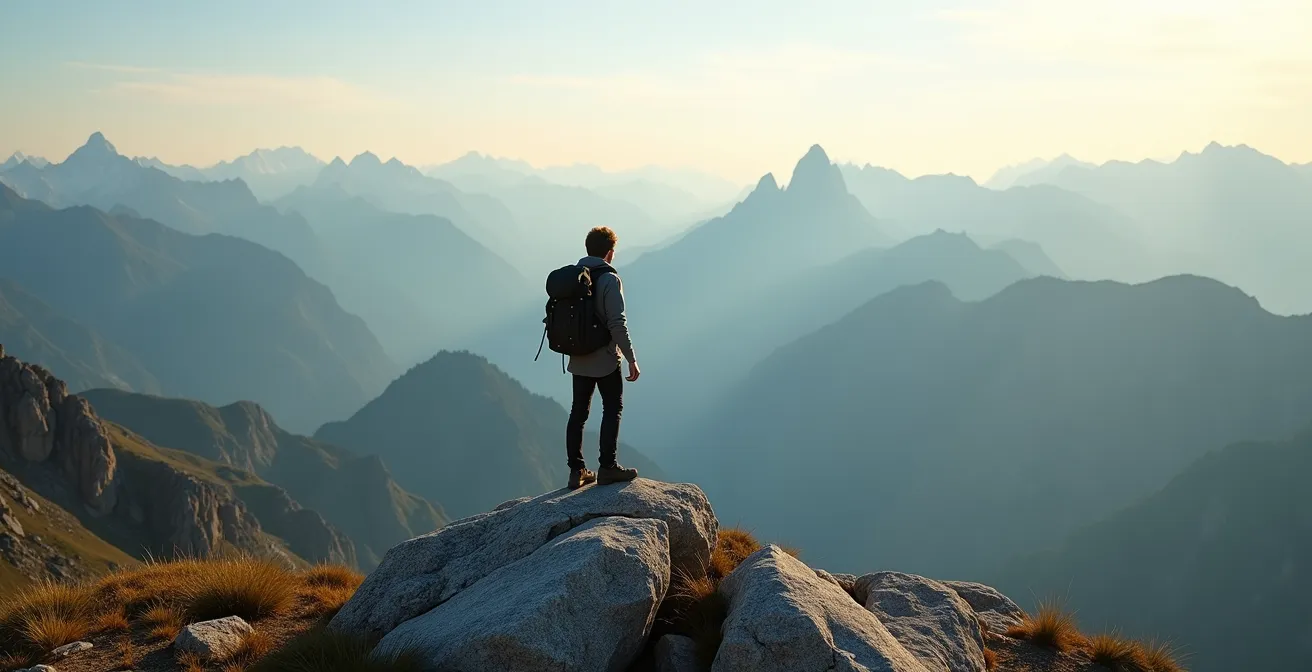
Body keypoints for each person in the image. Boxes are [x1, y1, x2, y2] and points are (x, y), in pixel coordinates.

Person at [566, 226, 641, 489]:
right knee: (612, 408)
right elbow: (617, 324)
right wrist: (631, 357)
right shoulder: (610, 280)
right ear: (609, 253)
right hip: (606, 359)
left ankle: (577, 472)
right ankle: (607, 467)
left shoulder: (574, 275)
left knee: (579, 412)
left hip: (577, 355)